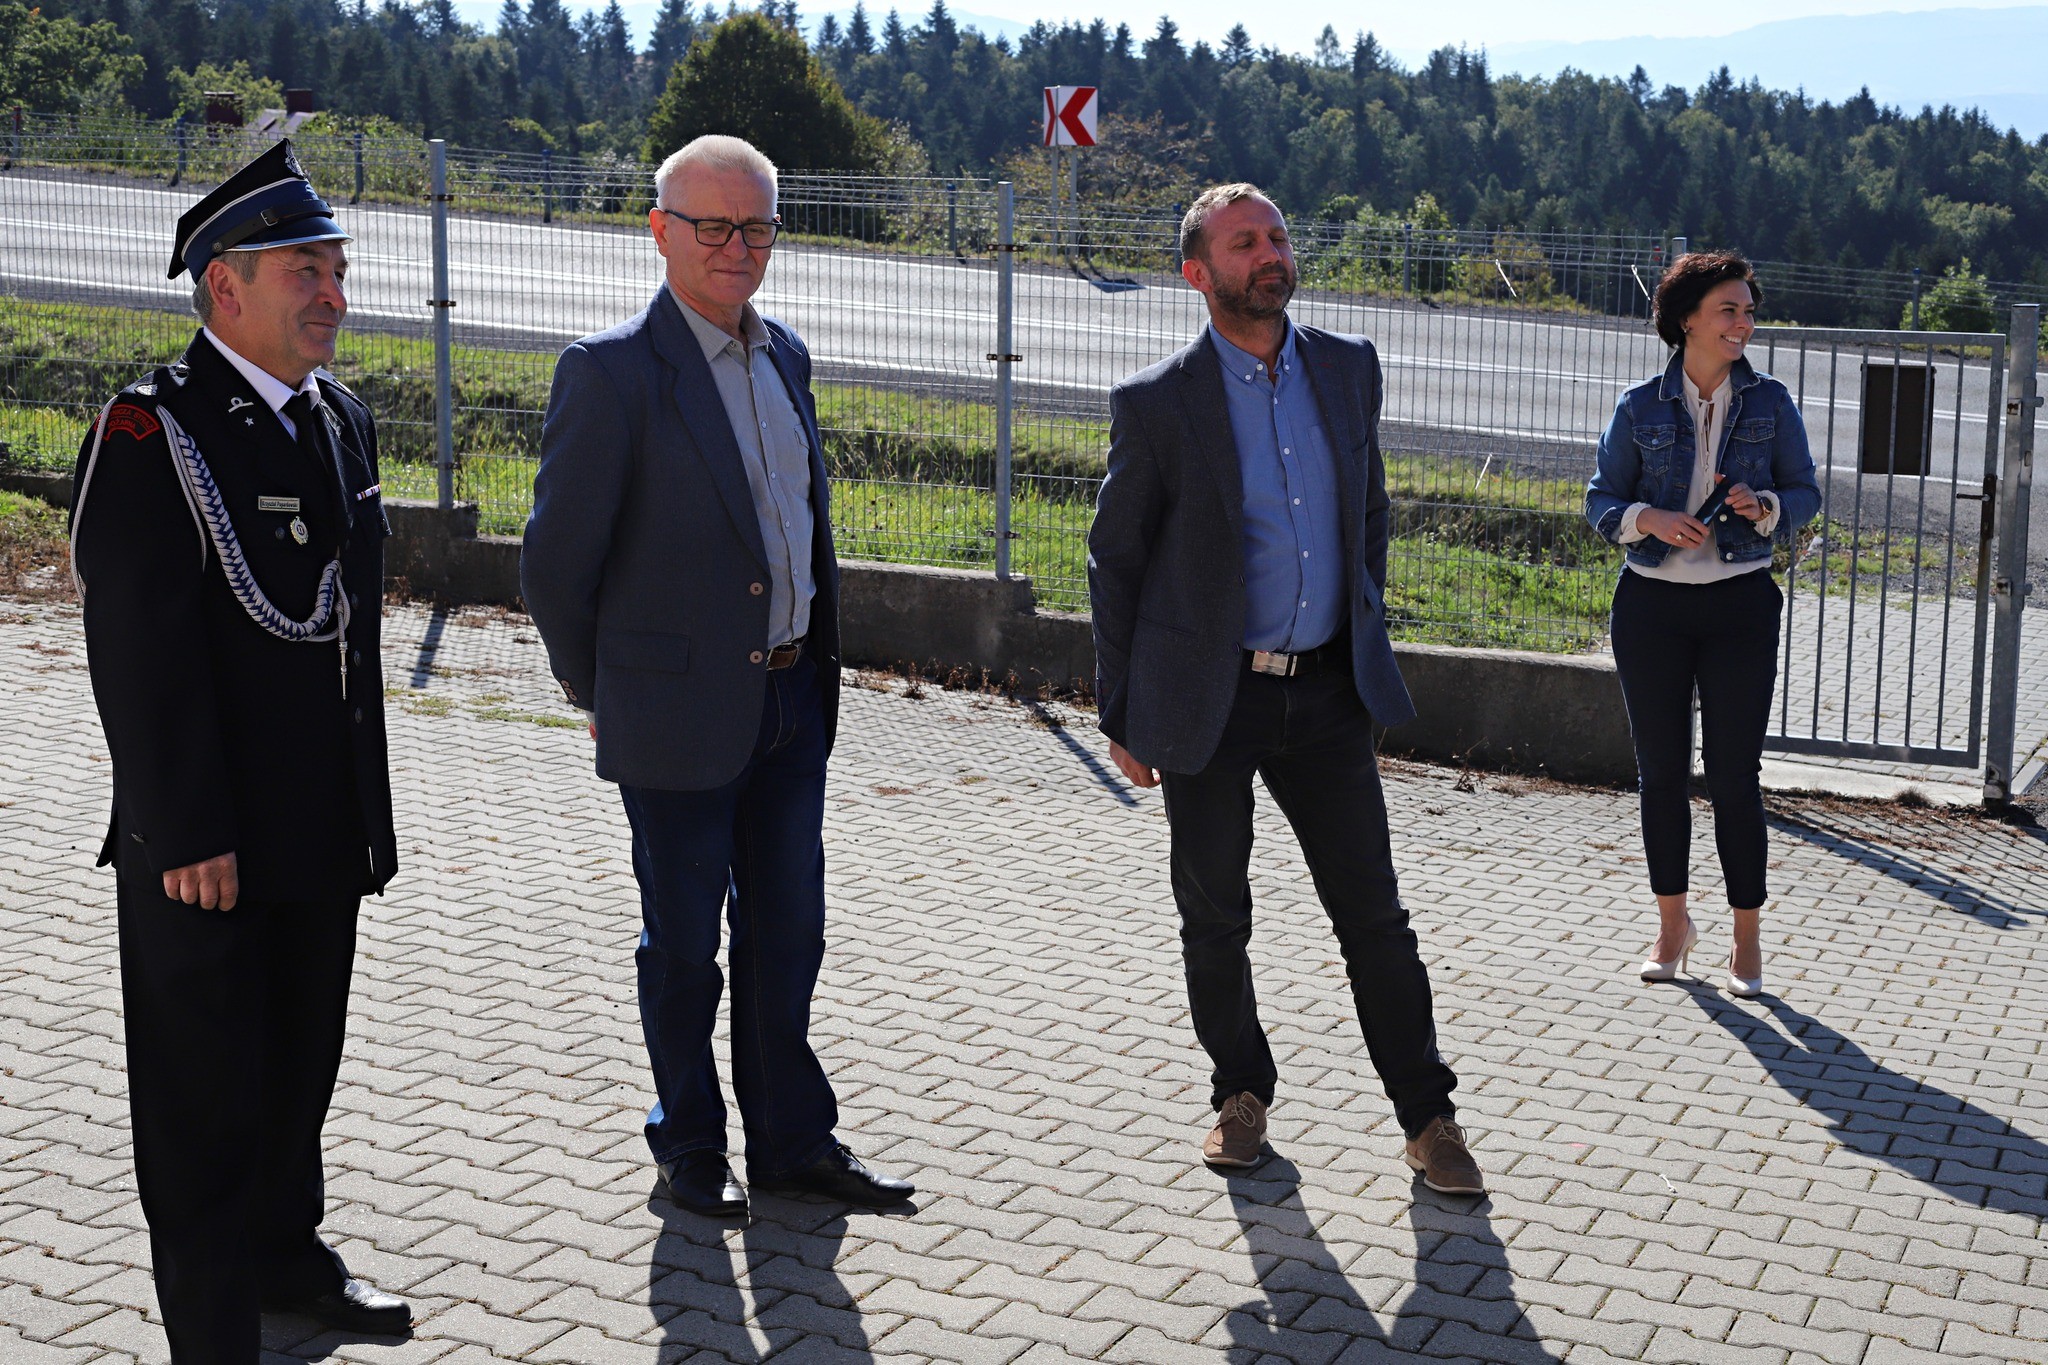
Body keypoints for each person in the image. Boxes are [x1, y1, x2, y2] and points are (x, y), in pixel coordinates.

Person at [522, 134, 912, 1217]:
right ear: (660, 230)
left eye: (757, 226)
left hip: (790, 700)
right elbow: (555, 566)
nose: (738, 247)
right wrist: (603, 694)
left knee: (789, 935)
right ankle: (690, 1143)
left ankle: (791, 1142)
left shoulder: (786, 356)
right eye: (713, 226)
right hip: (673, 715)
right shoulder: (608, 373)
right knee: (685, 946)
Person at [68, 139, 409, 1363]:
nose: (333, 294)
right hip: (205, 845)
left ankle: (286, 1262)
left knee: (296, 1073)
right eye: (305, 271)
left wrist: (364, 818)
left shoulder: (339, 420)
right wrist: (184, 829)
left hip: (316, 824)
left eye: (337, 269)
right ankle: (213, 1333)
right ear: (225, 286)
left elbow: (343, 637)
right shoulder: (153, 432)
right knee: (202, 1105)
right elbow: (139, 647)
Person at [1087, 183, 1483, 1195]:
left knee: (1374, 918)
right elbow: (1115, 560)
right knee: (1214, 914)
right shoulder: (1157, 402)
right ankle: (1239, 1095)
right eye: (1243, 243)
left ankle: (1428, 1117)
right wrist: (1121, 708)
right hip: (1207, 702)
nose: (1268, 253)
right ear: (1197, 273)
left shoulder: (1347, 369)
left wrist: (1360, 629)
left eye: (1275, 235)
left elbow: (1368, 515)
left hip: (1328, 696)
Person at [1584, 251, 1820, 997]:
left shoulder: (1772, 402)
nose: (1743, 323)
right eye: (1729, 309)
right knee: (1660, 775)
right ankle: (1672, 925)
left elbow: (1806, 492)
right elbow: (1599, 500)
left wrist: (1767, 507)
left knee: (1734, 777)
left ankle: (1747, 937)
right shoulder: (1638, 406)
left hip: (1740, 606)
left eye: (1749, 311)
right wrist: (1647, 518)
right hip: (1651, 607)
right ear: (1686, 318)